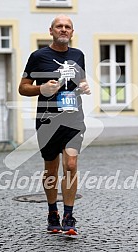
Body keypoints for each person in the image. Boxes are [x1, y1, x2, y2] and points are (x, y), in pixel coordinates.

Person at [19, 15, 90, 235]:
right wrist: (41, 89)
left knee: (70, 165)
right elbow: (23, 87)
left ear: (72, 32)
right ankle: (53, 212)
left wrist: (84, 87)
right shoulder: (38, 56)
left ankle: (69, 216)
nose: (63, 29)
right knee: (51, 168)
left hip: (73, 118)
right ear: (51, 31)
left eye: (67, 27)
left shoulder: (78, 55)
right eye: (59, 26)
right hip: (47, 120)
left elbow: (79, 82)